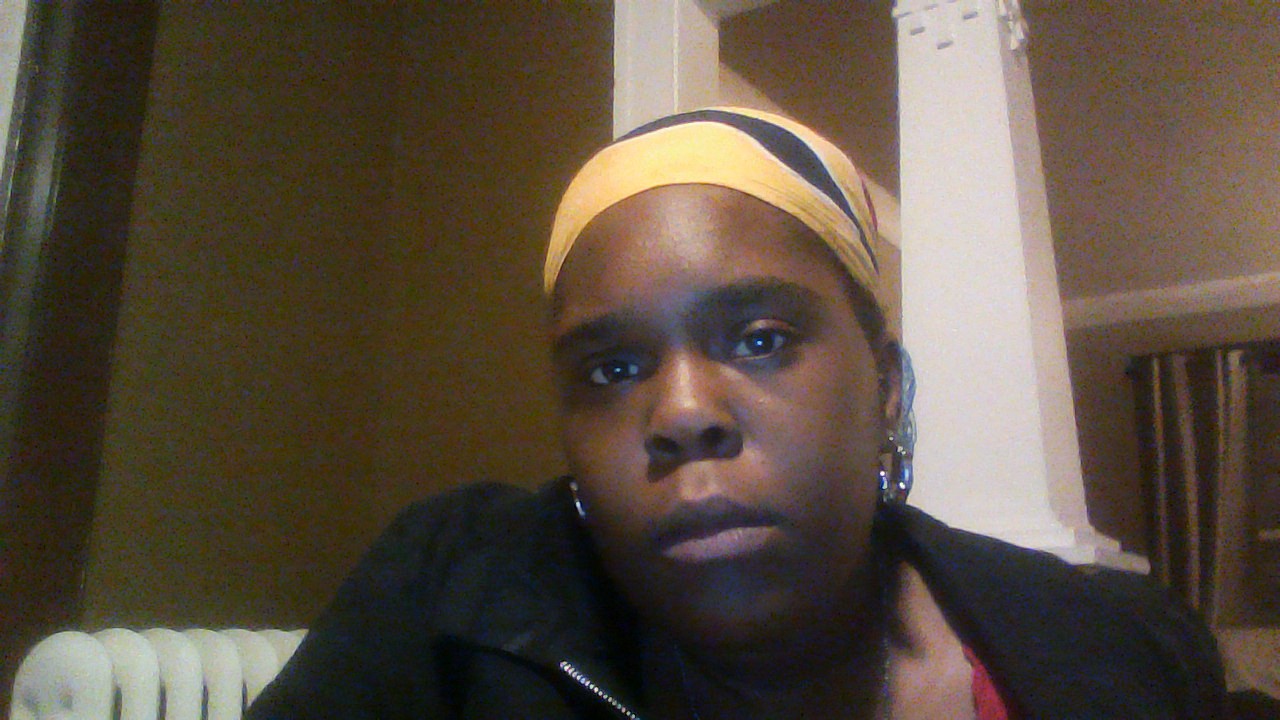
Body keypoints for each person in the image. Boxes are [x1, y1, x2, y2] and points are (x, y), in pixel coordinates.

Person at [247, 108, 1225, 719]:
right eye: (613, 367)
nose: (680, 414)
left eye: (759, 339)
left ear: (886, 389)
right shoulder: (452, 602)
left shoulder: (1114, 646)